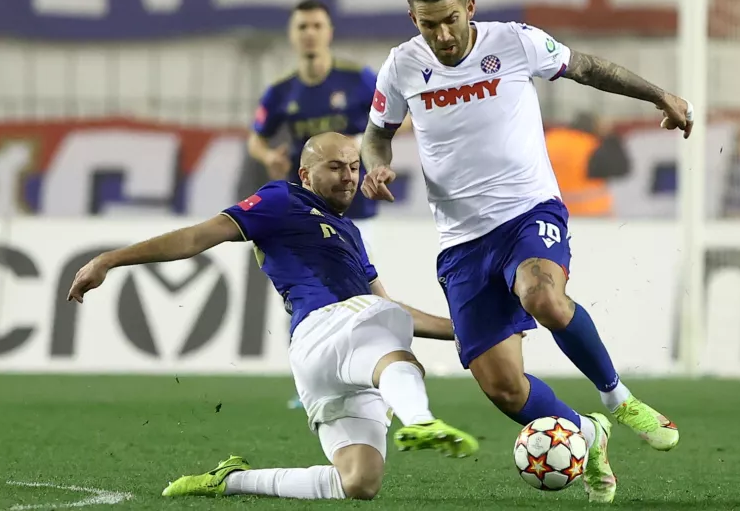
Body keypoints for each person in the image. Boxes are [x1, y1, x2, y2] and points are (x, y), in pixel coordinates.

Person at [359, 0, 688, 504]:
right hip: (461, 242)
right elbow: (378, 136)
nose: (440, 36)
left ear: (469, 8)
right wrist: (377, 166)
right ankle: (587, 434)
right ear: (412, 20)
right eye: (427, 25)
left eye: (448, 21)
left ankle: (617, 399)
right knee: (504, 388)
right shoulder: (401, 66)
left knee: (542, 297)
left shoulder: (513, 42)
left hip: (527, 211)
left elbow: (587, 67)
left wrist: (659, 95)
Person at [68, 133, 478, 501]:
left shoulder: (349, 232)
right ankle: (422, 420)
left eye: (354, 167)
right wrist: (110, 259)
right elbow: (196, 237)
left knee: (358, 482)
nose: (349, 177)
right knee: (393, 347)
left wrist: (467, 332)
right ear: (305, 173)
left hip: (346, 346)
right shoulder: (282, 199)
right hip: (322, 329)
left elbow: (391, 309)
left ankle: (231, 481)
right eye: (335, 167)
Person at [246, 0, 394, 409]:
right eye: (302, 26)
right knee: (307, 295)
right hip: (303, 209)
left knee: (360, 289)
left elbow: (398, 115)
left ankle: (369, 371)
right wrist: (268, 157)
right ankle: (313, 376)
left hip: (355, 206)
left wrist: (372, 150)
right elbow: (256, 136)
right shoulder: (281, 92)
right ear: (293, 36)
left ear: (328, 32)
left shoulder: (358, 80)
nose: (309, 32)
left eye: (316, 25)